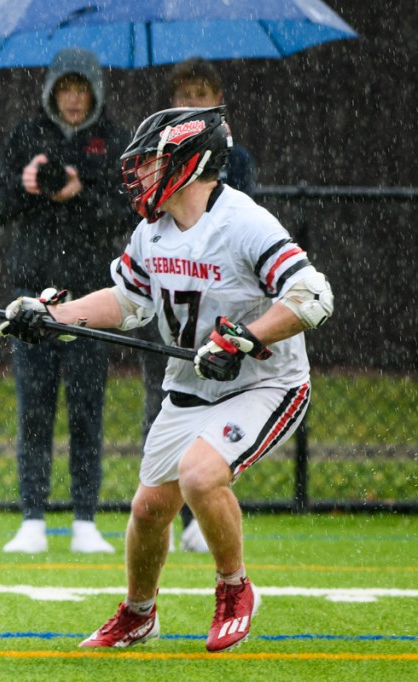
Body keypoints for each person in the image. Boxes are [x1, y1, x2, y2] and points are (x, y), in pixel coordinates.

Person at [0, 106, 332, 651]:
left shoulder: (243, 222)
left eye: (152, 161)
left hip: (265, 383)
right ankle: (139, 613)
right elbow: (128, 301)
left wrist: (245, 338)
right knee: (149, 509)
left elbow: (313, 296)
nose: (141, 173)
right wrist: (55, 316)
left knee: (200, 476)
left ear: (190, 162)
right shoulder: (152, 231)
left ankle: (235, 588)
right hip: (193, 385)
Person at [0, 47, 129, 554]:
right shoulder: (26, 135)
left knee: (88, 409)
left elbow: (127, 213)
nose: (73, 99)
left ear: (95, 93)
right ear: (52, 91)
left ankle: (85, 519)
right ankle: (32, 519)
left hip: (90, 297)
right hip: (31, 295)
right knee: (34, 409)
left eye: (81, 89)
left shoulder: (113, 141)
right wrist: (27, 185)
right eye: (65, 89)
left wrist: (80, 192)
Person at [140, 57, 259, 553]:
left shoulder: (237, 184)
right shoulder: (152, 215)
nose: (191, 104)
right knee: (168, 404)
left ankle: (203, 512)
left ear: (218, 101)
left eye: (200, 95)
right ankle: (166, 512)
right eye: (183, 96)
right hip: (176, 314)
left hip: (226, 319)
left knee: (210, 448)